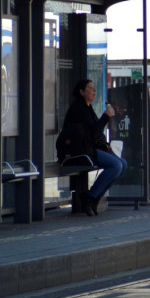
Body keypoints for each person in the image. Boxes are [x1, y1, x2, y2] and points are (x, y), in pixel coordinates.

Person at [62, 78, 127, 216]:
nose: (94, 91)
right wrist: (105, 117)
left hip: (90, 148)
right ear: (81, 92)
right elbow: (92, 134)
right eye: (90, 88)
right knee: (116, 165)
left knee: (123, 164)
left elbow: (94, 134)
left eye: (94, 88)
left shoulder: (88, 108)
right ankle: (91, 197)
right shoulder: (78, 109)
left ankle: (96, 197)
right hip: (80, 151)